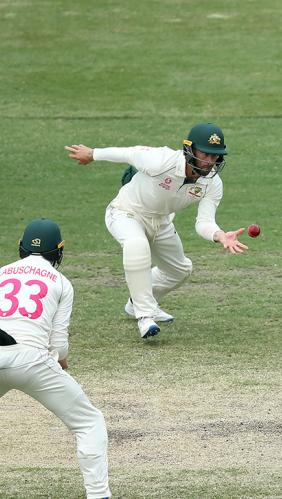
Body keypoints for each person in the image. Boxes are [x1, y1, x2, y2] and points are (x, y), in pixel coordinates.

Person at [0, 219, 133, 499]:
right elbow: (59, 344)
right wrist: (60, 361)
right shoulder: (61, 282)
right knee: (89, 422)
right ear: (58, 251)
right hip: (30, 361)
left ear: (22, 247)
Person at [66, 123, 248, 339]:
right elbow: (129, 153)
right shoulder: (163, 159)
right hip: (127, 211)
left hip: (161, 222)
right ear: (189, 149)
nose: (210, 162)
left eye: (215, 156)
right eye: (205, 154)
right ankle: (145, 317)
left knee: (180, 270)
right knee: (136, 244)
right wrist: (92, 154)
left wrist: (218, 234)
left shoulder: (212, 183)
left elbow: (204, 221)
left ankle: (137, 304)